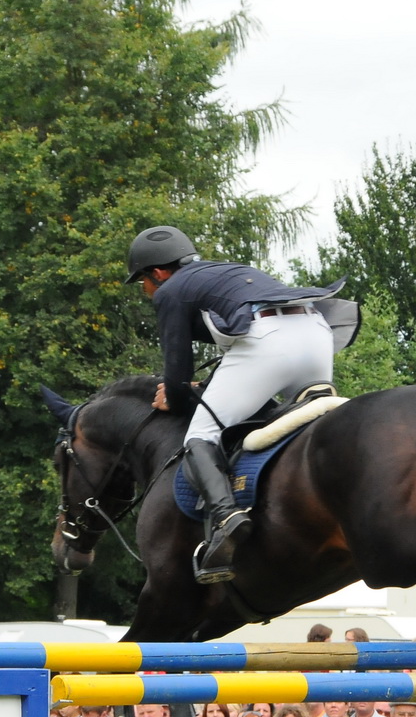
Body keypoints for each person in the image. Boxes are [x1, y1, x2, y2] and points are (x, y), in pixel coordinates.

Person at [125, 225, 351, 582]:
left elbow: (177, 371)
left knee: (200, 435)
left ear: (159, 272)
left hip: (269, 342)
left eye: (143, 281)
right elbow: (237, 361)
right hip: (317, 333)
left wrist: (176, 396)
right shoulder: (230, 272)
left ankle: (227, 517)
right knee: (300, 424)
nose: (145, 290)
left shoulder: (170, 292)